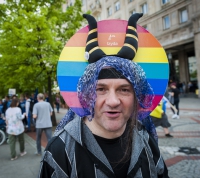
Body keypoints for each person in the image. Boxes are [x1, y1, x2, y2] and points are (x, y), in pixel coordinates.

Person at [38, 14, 169, 177]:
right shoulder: (59, 151)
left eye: (124, 89)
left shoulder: (147, 141)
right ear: (86, 95)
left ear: (137, 97)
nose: (113, 101)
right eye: (101, 89)